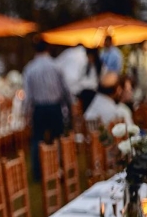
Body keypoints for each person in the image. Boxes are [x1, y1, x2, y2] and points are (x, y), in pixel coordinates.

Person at [23, 37, 71, 179]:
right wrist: (69, 105)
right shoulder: (56, 66)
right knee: (58, 137)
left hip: (39, 108)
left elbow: (27, 95)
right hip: (54, 107)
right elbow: (65, 89)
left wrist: (26, 112)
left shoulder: (30, 68)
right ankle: (60, 167)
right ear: (48, 48)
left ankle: (38, 171)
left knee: (37, 140)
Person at [77, 48, 101, 112]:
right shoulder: (86, 66)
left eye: (90, 57)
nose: (89, 59)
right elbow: (81, 78)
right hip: (84, 91)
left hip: (94, 93)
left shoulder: (99, 67)